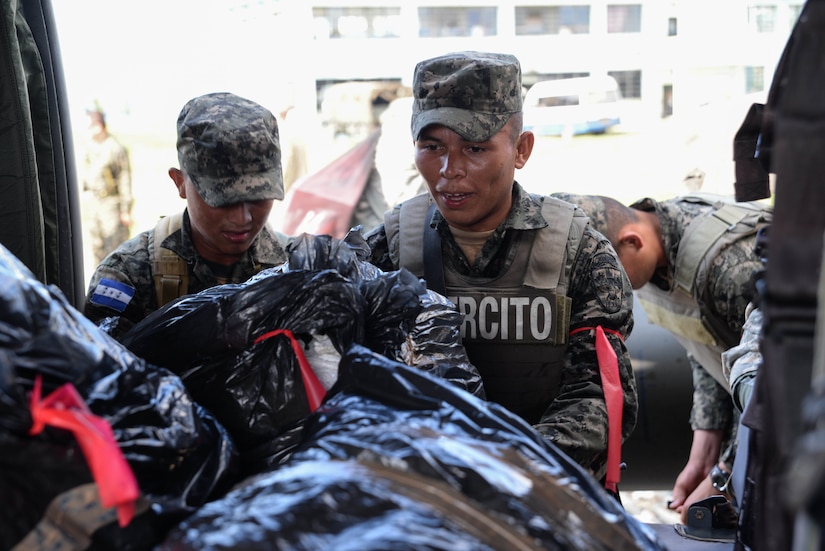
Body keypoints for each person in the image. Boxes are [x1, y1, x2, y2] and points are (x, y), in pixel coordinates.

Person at [363, 51, 639, 484]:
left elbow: (600, 399)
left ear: (521, 149)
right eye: (432, 147)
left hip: (547, 491)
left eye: (474, 148)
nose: (449, 171)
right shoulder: (387, 249)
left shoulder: (578, 252)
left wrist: (506, 468)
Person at [550, 192, 771, 521]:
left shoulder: (731, 269)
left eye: (606, 277)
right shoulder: (656, 256)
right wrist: (705, 444)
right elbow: (707, 337)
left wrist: (724, 474)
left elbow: (770, 384)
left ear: (632, 242)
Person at [84, 92, 290, 339]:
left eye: (258, 196)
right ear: (180, 183)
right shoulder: (129, 277)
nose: (242, 218)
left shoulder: (295, 266)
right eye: (222, 198)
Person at [80, 107, 134, 266]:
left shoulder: (115, 148)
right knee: (96, 248)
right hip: (93, 204)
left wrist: (125, 210)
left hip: (110, 204)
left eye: (91, 124)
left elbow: (125, 179)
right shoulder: (88, 147)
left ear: (99, 125)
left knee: (114, 250)